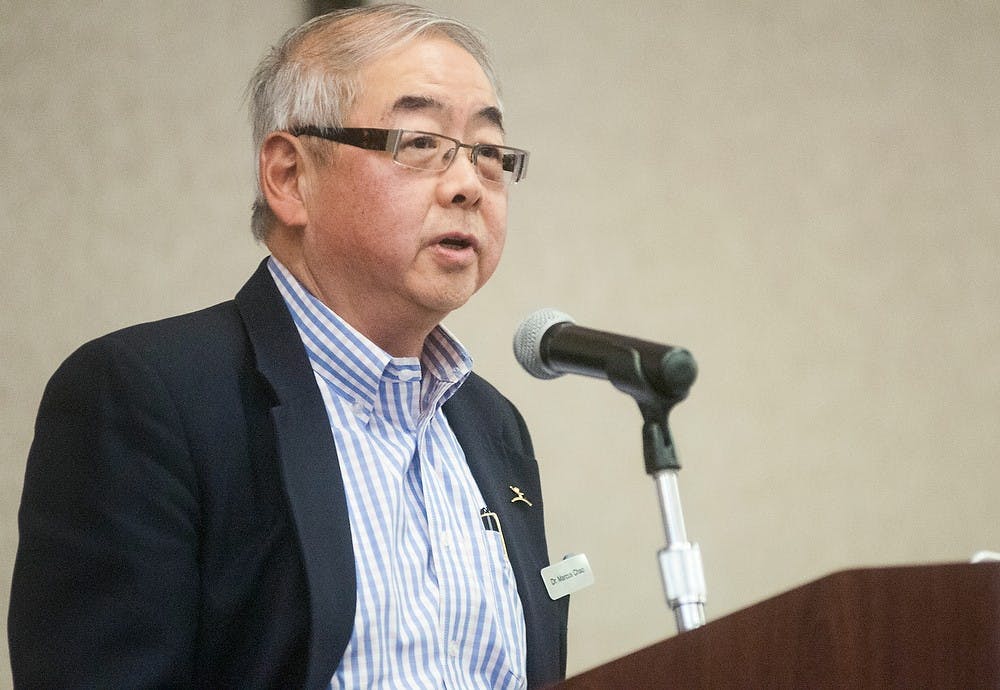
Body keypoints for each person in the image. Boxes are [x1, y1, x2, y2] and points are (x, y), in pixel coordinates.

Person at [8, 4, 568, 688]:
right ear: (288, 177)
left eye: (488, 153)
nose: (468, 186)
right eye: (421, 143)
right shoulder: (146, 397)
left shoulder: (493, 425)